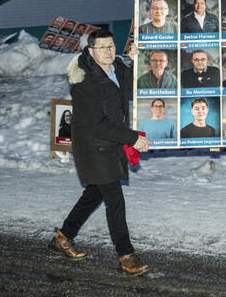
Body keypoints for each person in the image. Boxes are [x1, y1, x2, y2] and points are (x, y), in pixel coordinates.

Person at [48, 29, 151, 276]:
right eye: (102, 48)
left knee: (94, 194)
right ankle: (126, 255)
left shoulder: (115, 66)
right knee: (114, 199)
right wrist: (132, 138)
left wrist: (136, 63)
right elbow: (98, 124)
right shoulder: (84, 82)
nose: (109, 51)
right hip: (93, 146)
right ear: (91, 50)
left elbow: (131, 84)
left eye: (112, 46)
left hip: (110, 143)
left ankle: (62, 238)